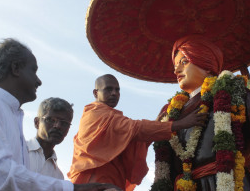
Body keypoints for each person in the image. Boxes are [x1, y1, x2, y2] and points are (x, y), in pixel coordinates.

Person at [152, 35, 250, 191]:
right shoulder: (170, 115)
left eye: (184, 62)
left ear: (206, 63)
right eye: (175, 65)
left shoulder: (235, 94)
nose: (176, 70)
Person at [0, 38, 121, 191]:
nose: (38, 81)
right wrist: (74, 189)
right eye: (33, 70)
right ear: (15, 68)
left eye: (65, 123)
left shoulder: (10, 115)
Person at [68, 74, 208, 191]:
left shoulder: (112, 117)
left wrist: (155, 125)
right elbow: (135, 128)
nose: (114, 93)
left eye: (117, 90)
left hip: (113, 181)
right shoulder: (95, 113)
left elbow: (132, 137)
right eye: (108, 89)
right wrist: (180, 124)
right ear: (95, 93)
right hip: (93, 181)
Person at [27, 97, 74, 179]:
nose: (58, 126)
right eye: (51, 120)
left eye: (64, 123)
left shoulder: (58, 176)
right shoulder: (17, 151)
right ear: (37, 122)